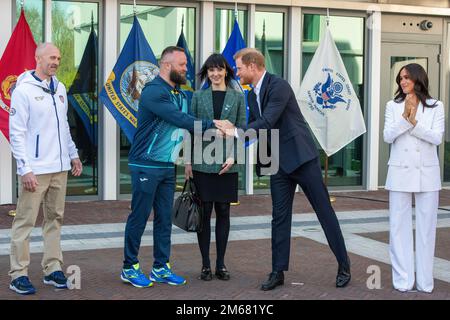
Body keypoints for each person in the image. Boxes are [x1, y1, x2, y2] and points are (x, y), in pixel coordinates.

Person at [215, 48, 351, 290]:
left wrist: (234, 130)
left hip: (302, 159)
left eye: (239, 68)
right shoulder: (249, 95)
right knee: (279, 218)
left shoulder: (279, 86)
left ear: (253, 66)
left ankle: (343, 264)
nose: (236, 72)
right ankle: (277, 272)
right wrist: (235, 148)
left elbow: (267, 121)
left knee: (324, 212)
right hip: (277, 164)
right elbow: (259, 130)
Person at [121, 46, 217, 288]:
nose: (186, 69)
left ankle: (160, 267)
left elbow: (185, 127)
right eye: (182, 64)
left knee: (164, 218)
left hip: (166, 166)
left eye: (186, 64)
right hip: (145, 164)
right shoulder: (154, 92)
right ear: (166, 65)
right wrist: (214, 124)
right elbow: (180, 120)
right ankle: (129, 267)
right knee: (140, 217)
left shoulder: (177, 94)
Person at [8, 43, 83, 295]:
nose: (56, 62)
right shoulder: (23, 91)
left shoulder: (60, 88)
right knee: (25, 222)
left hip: (59, 168)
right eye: (52, 57)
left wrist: (73, 155)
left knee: (55, 220)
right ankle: (18, 274)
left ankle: (53, 269)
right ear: (38, 58)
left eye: (59, 58)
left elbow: (63, 127)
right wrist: (25, 168)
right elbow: (16, 133)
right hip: (35, 170)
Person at [184, 53, 246, 281]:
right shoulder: (198, 97)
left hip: (227, 164)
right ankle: (205, 265)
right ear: (206, 73)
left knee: (224, 212)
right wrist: (188, 162)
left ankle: (221, 264)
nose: (215, 74)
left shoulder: (238, 97)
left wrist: (235, 157)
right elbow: (190, 128)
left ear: (227, 71)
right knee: (204, 213)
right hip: (202, 163)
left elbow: (242, 131)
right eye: (211, 70)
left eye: (219, 69)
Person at [383, 63, 444, 293]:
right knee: (398, 229)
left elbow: (437, 138)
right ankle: (403, 281)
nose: (403, 82)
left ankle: (425, 282)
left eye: (407, 77)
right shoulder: (392, 105)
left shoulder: (436, 106)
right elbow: (388, 136)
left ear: (418, 78)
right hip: (399, 172)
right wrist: (404, 118)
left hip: (427, 173)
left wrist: (414, 123)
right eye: (400, 79)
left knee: (426, 230)